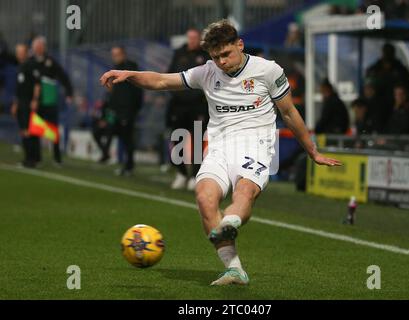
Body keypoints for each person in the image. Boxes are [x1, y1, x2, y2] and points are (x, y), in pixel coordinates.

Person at [100, 19, 341, 286]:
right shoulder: (207, 72)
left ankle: (231, 222)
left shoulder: (268, 71)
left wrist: (312, 151)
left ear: (240, 45)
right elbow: (160, 82)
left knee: (244, 192)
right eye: (216, 57)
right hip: (220, 148)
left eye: (225, 54)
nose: (222, 62)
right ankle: (234, 268)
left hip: (257, 146)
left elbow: (289, 112)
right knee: (204, 197)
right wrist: (129, 74)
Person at [166, 28, 210, 190]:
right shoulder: (179, 53)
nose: (192, 40)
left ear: (199, 39)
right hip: (178, 105)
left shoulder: (205, 55)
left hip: (198, 105)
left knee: (198, 140)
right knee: (177, 138)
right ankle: (181, 173)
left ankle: (195, 175)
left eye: (195, 37)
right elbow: (169, 75)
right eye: (189, 37)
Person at [29, 36, 73, 165]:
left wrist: (69, 93)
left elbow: (64, 77)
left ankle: (57, 158)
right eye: (36, 47)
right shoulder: (30, 62)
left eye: (41, 46)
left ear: (44, 48)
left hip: (50, 101)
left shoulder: (51, 61)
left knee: (53, 130)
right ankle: (36, 158)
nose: (39, 49)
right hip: (36, 102)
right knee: (35, 129)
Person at [107, 46, 143, 176]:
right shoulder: (115, 69)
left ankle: (129, 165)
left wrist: (133, 109)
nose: (115, 57)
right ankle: (114, 158)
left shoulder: (130, 68)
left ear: (123, 54)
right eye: (113, 55)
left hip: (127, 111)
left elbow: (136, 91)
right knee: (117, 135)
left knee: (127, 139)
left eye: (117, 54)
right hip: (117, 110)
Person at [10, 43, 41, 168]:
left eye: (21, 52)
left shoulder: (30, 65)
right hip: (21, 103)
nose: (19, 54)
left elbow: (37, 84)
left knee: (29, 131)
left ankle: (32, 159)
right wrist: (15, 104)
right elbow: (19, 89)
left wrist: (35, 100)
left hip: (29, 103)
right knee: (24, 131)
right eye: (17, 52)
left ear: (26, 52)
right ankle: (29, 158)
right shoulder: (20, 67)